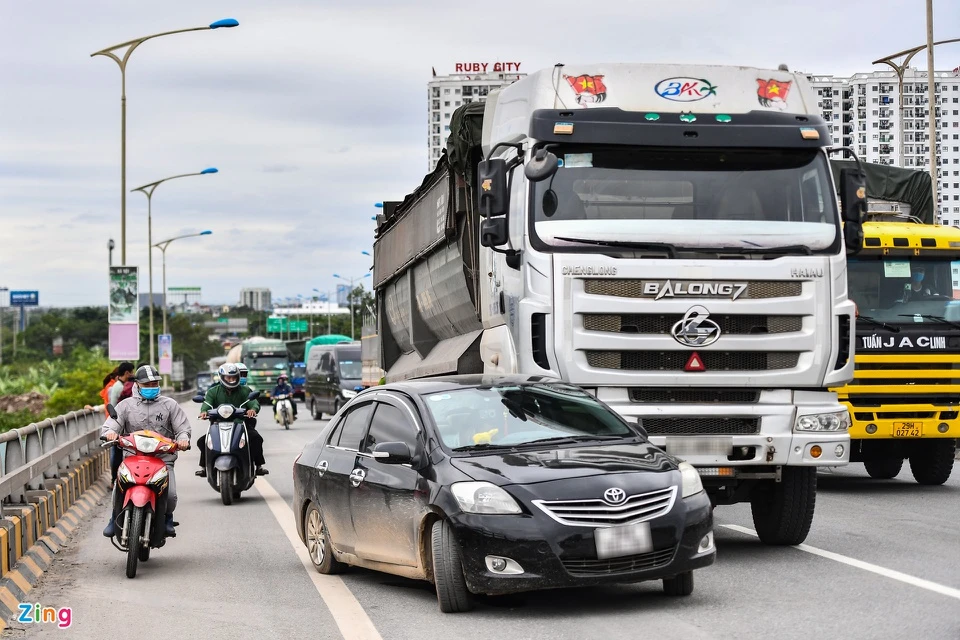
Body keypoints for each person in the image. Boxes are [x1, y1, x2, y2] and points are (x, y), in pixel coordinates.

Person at [101, 365, 191, 538]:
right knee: (119, 488)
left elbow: (182, 428)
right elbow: (111, 425)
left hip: (163, 458)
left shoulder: (170, 405)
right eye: (146, 385)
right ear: (137, 384)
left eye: (154, 384)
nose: (151, 387)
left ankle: (167, 518)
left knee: (170, 495)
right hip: (132, 457)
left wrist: (183, 439)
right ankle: (114, 517)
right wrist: (110, 433)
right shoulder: (125, 405)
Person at [195, 363, 268, 477]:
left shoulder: (245, 390)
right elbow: (206, 404)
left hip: (241, 424)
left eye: (234, 377)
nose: (232, 380)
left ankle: (258, 466)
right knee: (202, 441)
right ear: (222, 377)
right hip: (218, 425)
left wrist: (252, 410)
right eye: (229, 378)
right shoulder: (213, 391)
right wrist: (204, 412)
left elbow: (253, 403)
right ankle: (204, 467)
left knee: (256, 438)